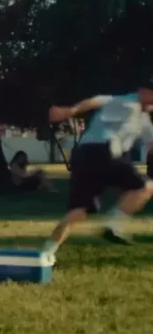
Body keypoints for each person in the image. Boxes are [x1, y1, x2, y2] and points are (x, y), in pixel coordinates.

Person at [44, 81, 153, 253]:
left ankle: (47, 253)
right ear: (142, 91)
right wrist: (71, 111)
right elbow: (96, 101)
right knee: (146, 186)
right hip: (102, 151)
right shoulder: (126, 101)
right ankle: (112, 225)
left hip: (84, 156)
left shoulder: (144, 120)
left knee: (79, 209)